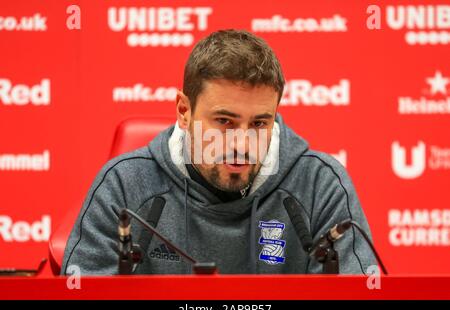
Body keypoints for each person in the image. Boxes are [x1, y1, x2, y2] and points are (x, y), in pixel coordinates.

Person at [61, 29, 376, 275]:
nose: (242, 143)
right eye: (225, 121)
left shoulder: (320, 185)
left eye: (259, 123)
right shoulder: (124, 184)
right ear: (184, 112)